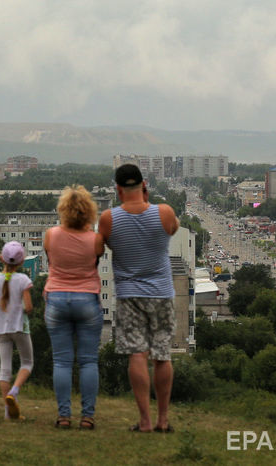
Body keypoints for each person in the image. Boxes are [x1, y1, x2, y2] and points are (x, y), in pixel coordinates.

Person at [98, 163, 179, 433]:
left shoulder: (109, 218)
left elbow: (105, 244)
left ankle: (144, 421)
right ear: (144, 185)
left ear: (118, 189)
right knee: (162, 355)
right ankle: (163, 420)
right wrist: (147, 202)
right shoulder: (164, 213)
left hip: (129, 294)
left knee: (137, 354)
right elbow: (173, 229)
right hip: (162, 293)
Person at [43, 185, 105, 429]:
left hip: (57, 299)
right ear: (88, 212)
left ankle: (64, 416)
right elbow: (95, 261)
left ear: (63, 210)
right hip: (87, 300)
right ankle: (87, 417)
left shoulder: (51, 235)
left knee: (62, 362)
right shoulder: (95, 239)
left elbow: (51, 260)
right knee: (88, 361)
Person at [0, 241, 34, 420]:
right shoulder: (23, 280)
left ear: (2, 258)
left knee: (5, 369)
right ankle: (15, 390)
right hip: (20, 327)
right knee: (27, 363)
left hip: (0, 329)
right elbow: (28, 307)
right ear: (20, 262)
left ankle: (8, 412)